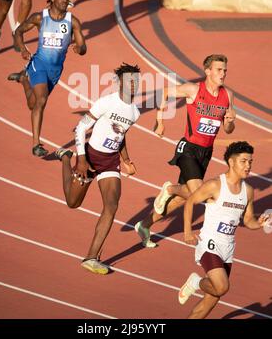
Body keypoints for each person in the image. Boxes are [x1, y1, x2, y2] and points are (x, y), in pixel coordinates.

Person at [135, 54, 236, 248]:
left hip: (206, 152)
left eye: (225, 70)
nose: (223, 73)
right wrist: (160, 121)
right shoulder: (194, 89)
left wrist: (230, 122)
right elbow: (164, 92)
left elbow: (228, 129)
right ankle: (169, 188)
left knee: (182, 199)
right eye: (219, 69)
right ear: (207, 71)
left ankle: (145, 225)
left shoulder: (228, 96)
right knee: (198, 192)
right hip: (188, 148)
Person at [55, 63, 140, 274]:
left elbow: (121, 135)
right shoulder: (106, 102)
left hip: (110, 162)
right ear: (120, 82)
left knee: (111, 206)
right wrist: (81, 160)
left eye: (136, 80)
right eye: (130, 80)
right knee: (72, 202)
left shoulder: (135, 112)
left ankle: (91, 257)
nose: (134, 83)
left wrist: (127, 159)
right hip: (90, 157)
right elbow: (81, 127)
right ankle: (66, 158)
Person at [178, 141, 271, 319]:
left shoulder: (248, 191)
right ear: (231, 162)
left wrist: (258, 224)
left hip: (228, 248)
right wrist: (187, 232)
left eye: (250, 162)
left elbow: (248, 220)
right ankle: (196, 282)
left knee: (208, 303)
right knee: (221, 286)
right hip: (209, 243)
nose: (248, 165)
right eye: (244, 161)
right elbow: (190, 202)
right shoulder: (215, 185)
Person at [7, 0, 86, 157]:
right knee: (41, 101)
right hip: (39, 64)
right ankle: (36, 144)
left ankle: (23, 79)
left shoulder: (72, 22)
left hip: (55, 71)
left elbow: (83, 48)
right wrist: (22, 49)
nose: (65, 0)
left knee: (33, 104)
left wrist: (78, 49)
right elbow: (18, 32)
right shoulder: (40, 18)